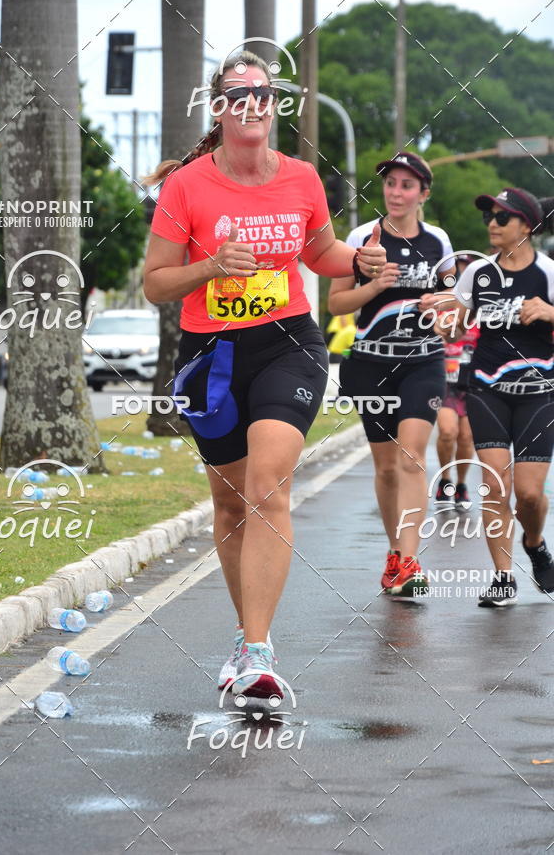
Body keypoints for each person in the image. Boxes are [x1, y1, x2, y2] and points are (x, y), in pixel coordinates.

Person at [143, 51, 386, 699]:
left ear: (274, 107)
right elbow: (154, 284)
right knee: (229, 502)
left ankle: (258, 653)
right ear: (219, 108)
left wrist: (358, 260)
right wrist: (212, 266)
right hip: (210, 356)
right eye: (237, 93)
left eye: (264, 92)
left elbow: (320, 252)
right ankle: (245, 632)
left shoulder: (303, 178)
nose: (252, 102)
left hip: (288, 346)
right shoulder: (187, 187)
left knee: (267, 484)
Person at [328, 152, 455, 597]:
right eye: (390, 184)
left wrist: (440, 307)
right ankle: (395, 555)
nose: (395, 192)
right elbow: (337, 304)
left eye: (406, 185)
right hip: (369, 363)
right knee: (385, 469)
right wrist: (375, 286)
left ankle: (409, 559)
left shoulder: (439, 242)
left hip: (423, 362)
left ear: (423, 193)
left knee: (411, 457)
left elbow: (451, 313)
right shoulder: (363, 237)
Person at [433, 187, 554, 606]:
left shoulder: (548, 272)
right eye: (490, 217)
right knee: (495, 485)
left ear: (527, 225)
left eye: (502, 217)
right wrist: (441, 321)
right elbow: (456, 328)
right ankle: (503, 577)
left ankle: (535, 544)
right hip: (486, 389)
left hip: (538, 393)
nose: (492, 225)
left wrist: (550, 311)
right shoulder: (478, 273)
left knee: (530, 495)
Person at [435, 254, 480, 510]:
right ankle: (445, 479)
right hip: (445, 381)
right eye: (459, 267)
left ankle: (461, 484)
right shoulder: (443, 302)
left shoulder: (483, 305)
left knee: (466, 437)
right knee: (448, 431)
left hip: (472, 381)